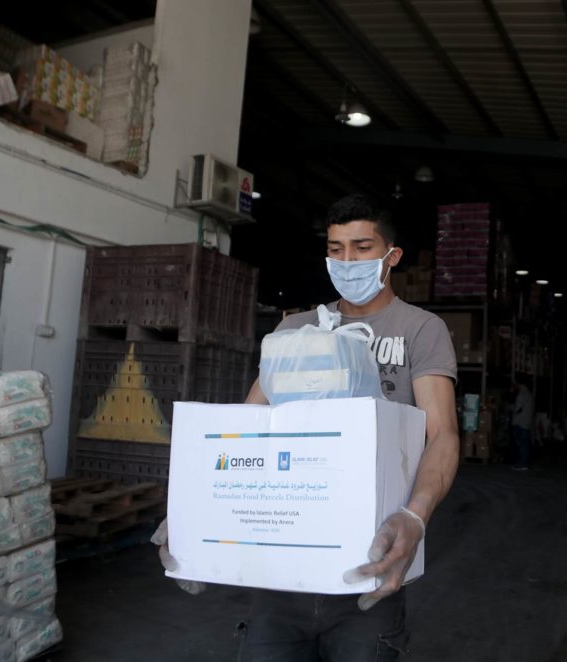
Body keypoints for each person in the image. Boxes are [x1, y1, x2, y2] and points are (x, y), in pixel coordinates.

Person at [156, 194, 460, 661]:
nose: (346, 260)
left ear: (391, 256)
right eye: (336, 249)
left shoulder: (421, 330)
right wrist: (195, 514)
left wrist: (415, 515)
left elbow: (441, 435)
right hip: (280, 572)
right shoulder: (294, 333)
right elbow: (247, 429)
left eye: (361, 247)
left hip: (369, 563)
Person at [510, 380, 533, 471]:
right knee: (524, 444)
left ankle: (522, 464)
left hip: (520, 422)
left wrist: (510, 407)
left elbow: (517, 408)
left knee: (521, 445)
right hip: (526, 422)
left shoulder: (522, 394)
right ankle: (523, 463)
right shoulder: (529, 394)